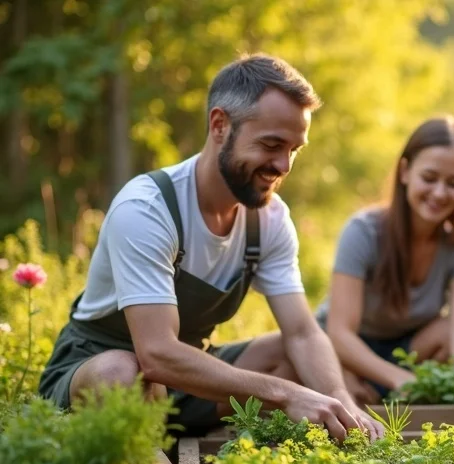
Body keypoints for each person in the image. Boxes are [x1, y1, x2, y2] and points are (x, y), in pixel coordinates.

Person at [38, 54, 383, 441]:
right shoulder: (148, 208)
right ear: (220, 125)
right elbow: (156, 354)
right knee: (122, 373)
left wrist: (339, 400)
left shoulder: (269, 219)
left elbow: (302, 332)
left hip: (187, 378)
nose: (284, 165)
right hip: (104, 370)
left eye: (294, 149)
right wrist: (287, 395)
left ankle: (217, 446)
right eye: (271, 144)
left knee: (295, 355)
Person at [316, 116, 454, 404]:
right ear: (405, 172)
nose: (439, 193)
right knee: (333, 377)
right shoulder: (363, 232)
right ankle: (373, 390)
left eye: (453, 183)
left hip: (408, 349)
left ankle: (381, 394)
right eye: (429, 178)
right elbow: (339, 333)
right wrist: (399, 379)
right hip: (346, 350)